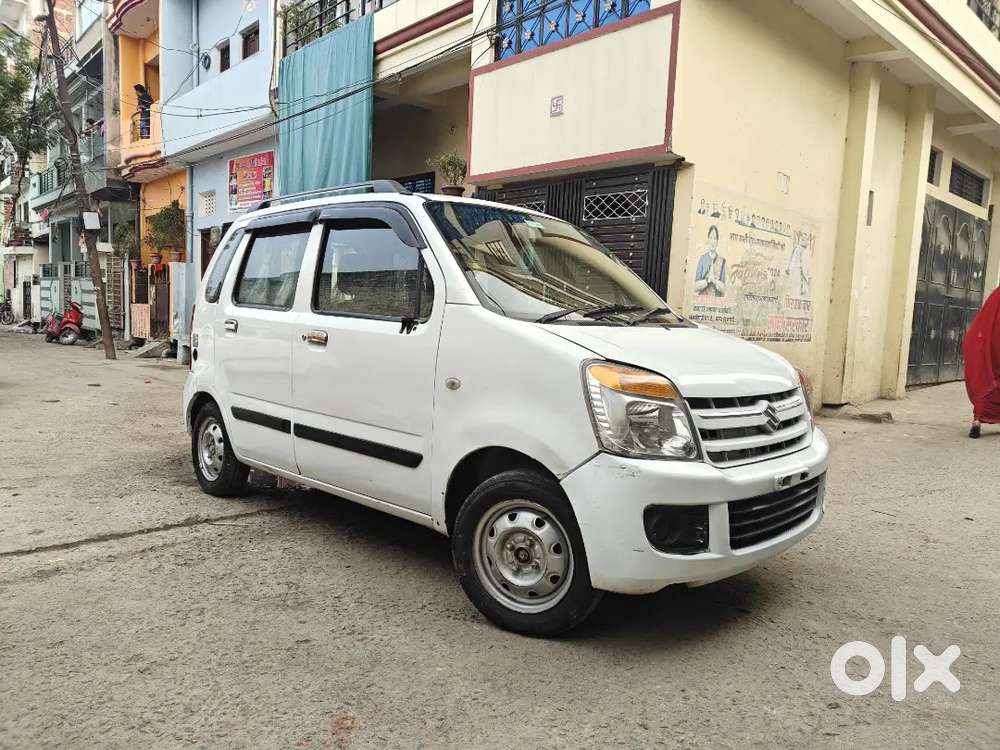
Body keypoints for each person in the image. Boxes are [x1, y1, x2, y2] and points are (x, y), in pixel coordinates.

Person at [963, 285, 1000, 438]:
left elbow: (983, 321)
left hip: (992, 343)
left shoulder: (996, 296)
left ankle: (977, 420)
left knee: (987, 377)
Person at [693, 225, 727, 296]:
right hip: (702, 301)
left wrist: (714, 281)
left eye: (715, 238)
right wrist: (707, 280)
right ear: (708, 239)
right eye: (711, 238)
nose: (713, 241)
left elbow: (724, 289)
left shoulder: (722, 261)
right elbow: (695, 287)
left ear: (717, 241)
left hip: (716, 301)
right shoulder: (702, 259)